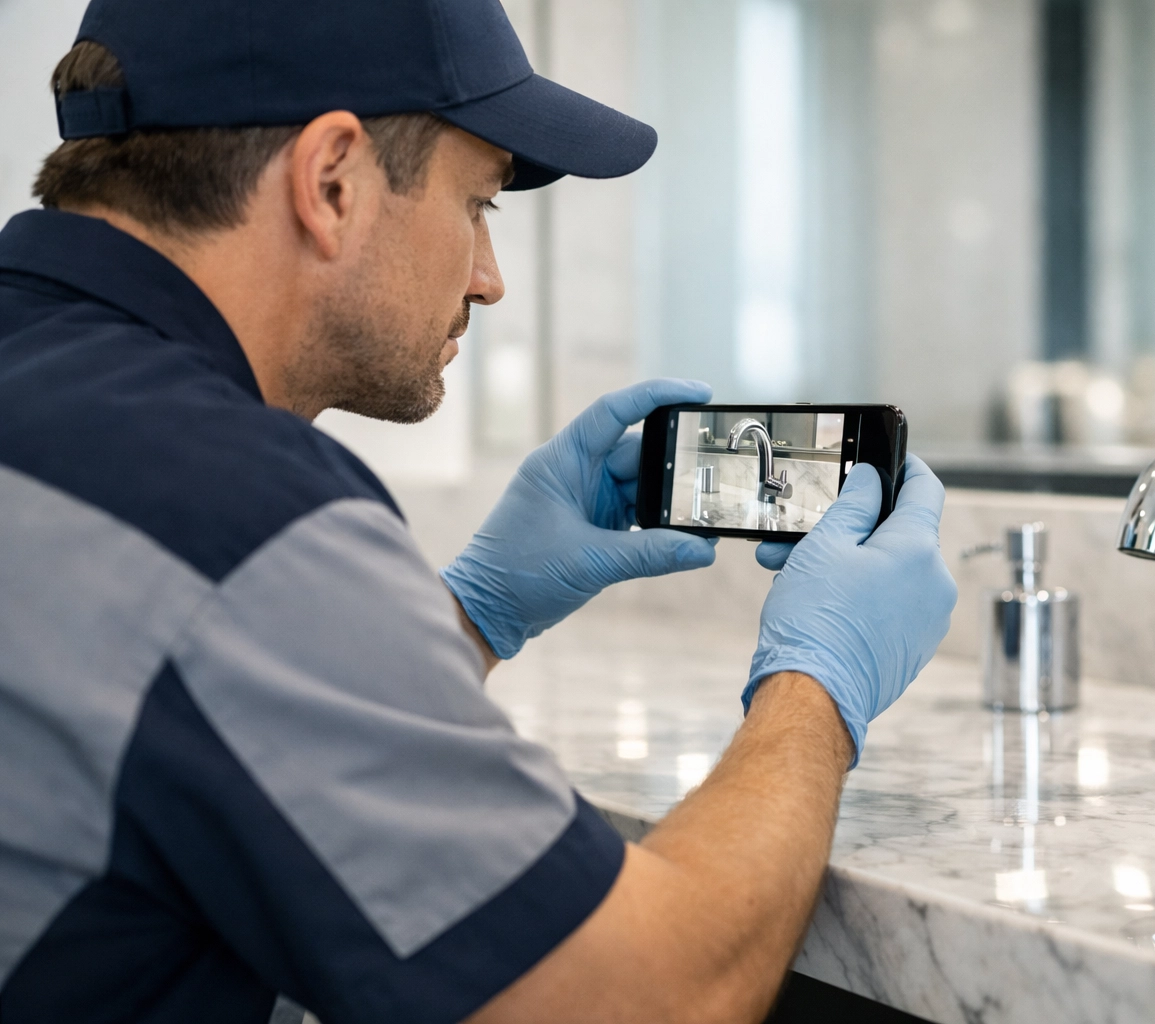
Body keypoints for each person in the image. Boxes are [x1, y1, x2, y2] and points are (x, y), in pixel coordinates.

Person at [0, 1, 957, 1022]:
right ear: (332, 181)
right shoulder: (233, 513)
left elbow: (187, 732)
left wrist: (467, 616)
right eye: (479, 204)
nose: (490, 280)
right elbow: (660, 995)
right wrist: (820, 681)